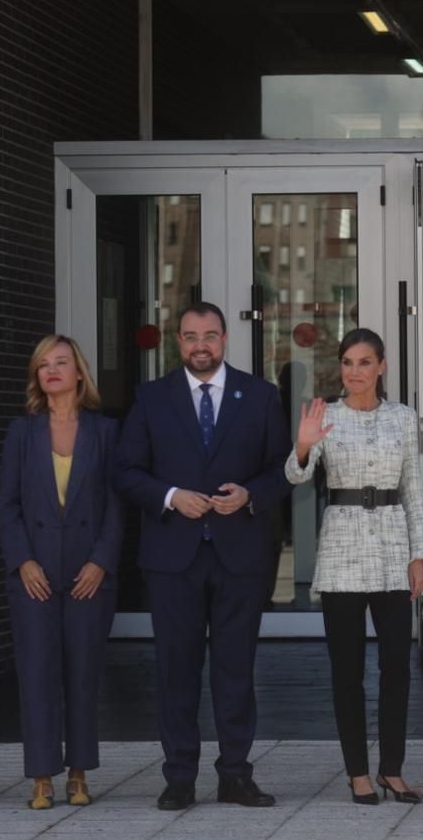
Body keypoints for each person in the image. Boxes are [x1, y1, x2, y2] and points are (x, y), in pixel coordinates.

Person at [114, 302, 291, 811]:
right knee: (176, 670)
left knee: (236, 670)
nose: (200, 345)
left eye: (209, 336)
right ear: (179, 342)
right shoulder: (151, 399)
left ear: (224, 340)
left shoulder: (258, 397)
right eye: (191, 336)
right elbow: (126, 471)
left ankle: (235, 774)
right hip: (174, 557)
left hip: (241, 555)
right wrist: (171, 496)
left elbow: (283, 469)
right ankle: (180, 777)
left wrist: (250, 495)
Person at [286, 329, 423, 805]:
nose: (354, 372)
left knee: (396, 667)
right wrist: (304, 445)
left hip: (393, 544)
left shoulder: (404, 418)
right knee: (346, 669)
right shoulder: (325, 414)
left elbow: (413, 488)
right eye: (347, 363)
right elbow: (296, 474)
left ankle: (392, 769)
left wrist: (420, 556)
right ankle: (357, 773)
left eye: (364, 362)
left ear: (382, 366)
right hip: (342, 547)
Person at [0, 335, 124, 810]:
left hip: (89, 572)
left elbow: (117, 505)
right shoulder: (21, 432)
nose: (51, 370)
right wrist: (23, 560)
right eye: (43, 364)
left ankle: (79, 772)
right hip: (36, 573)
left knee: (83, 673)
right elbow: (7, 504)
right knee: (37, 673)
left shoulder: (106, 432)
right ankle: (40, 776)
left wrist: (101, 561)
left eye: (61, 362)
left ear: (78, 373)